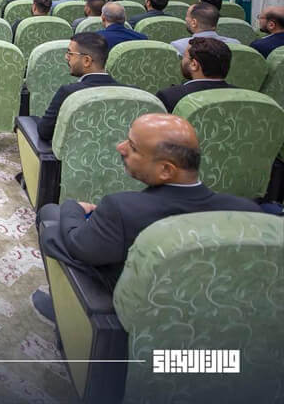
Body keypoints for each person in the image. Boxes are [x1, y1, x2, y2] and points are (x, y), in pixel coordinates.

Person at [33, 114, 260, 312]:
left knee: (51, 219)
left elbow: (78, 245)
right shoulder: (249, 213)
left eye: (132, 147)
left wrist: (73, 207)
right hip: (211, 311)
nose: (120, 147)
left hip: (133, 314)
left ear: (166, 170)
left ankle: (67, 311)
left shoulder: (122, 209)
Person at [36, 33, 120, 142]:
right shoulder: (133, 93)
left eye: (70, 53)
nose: (66, 57)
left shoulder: (69, 93)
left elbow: (44, 132)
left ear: (86, 61)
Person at [156, 37, 234, 112]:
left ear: (194, 65)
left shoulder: (169, 97)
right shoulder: (239, 94)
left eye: (183, 56)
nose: (181, 60)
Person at [171, 2, 240, 55]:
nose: (185, 19)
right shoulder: (235, 44)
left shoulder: (179, 46)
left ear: (194, 22)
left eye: (187, 16)